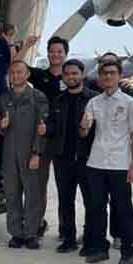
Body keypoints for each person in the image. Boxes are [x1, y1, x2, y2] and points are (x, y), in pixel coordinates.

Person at [80, 59, 133, 264]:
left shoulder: (129, 102)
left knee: (123, 208)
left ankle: (127, 250)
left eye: (112, 73)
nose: (107, 77)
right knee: (96, 208)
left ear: (119, 75)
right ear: (99, 77)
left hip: (119, 163)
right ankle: (100, 249)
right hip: (96, 162)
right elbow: (84, 132)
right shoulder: (94, 103)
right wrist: (83, 127)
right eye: (104, 73)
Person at [17, 34, 70, 237]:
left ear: (65, 54)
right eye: (52, 51)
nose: (55, 55)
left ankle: (66, 228)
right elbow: (17, 66)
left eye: (59, 52)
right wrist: (26, 46)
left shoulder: (72, 77)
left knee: (65, 186)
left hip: (65, 140)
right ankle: (37, 222)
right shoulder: (39, 75)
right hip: (42, 138)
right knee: (38, 185)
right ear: (47, 54)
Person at [46, 59, 96, 253]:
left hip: (87, 159)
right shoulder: (58, 100)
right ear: (63, 77)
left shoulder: (93, 99)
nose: (71, 77)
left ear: (82, 75)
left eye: (75, 73)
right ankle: (68, 239)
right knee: (65, 201)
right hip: (62, 159)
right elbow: (52, 126)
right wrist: (45, 129)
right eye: (67, 74)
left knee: (91, 201)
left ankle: (90, 238)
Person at [0, 61, 49, 248]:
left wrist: (37, 153)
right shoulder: (4, 98)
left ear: (27, 75)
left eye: (20, 72)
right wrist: (0, 127)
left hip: (30, 153)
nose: (16, 76)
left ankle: (31, 233)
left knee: (32, 193)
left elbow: (42, 129)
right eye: (13, 73)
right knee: (11, 194)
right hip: (9, 154)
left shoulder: (37, 97)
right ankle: (16, 233)